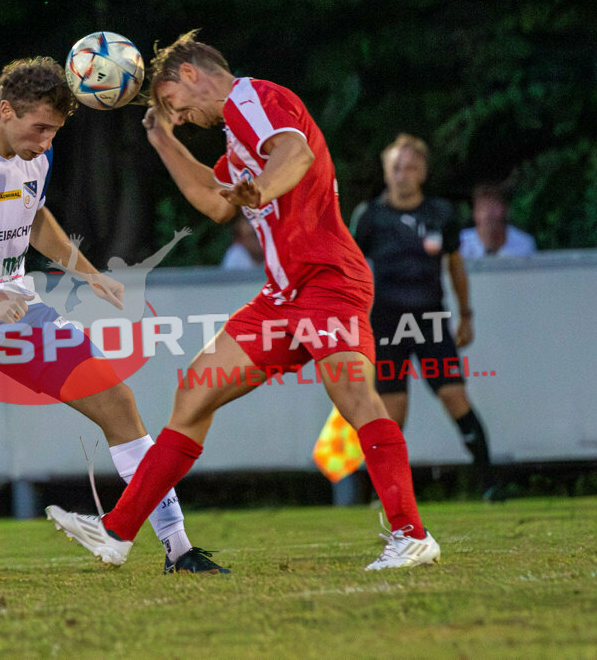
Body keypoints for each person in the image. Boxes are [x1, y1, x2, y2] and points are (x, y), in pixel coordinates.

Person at [47, 31, 440, 571]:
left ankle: (411, 535)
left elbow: (296, 152)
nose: (179, 116)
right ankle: (118, 532)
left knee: (354, 396)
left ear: (190, 74)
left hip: (329, 280)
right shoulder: (237, 134)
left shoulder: (252, 99)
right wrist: (162, 140)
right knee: (195, 392)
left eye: (173, 103)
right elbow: (215, 202)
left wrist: (264, 189)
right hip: (282, 296)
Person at [0, 56, 227, 585]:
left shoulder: (36, 154)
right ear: (6, 110)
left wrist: (89, 274)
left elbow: (35, 219)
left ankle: (180, 550)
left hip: (16, 307)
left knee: (118, 403)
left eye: (55, 131)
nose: (47, 142)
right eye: (40, 128)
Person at [351, 134, 497, 498]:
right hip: (386, 323)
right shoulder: (370, 217)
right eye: (397, 168)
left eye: (411, 167)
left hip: (431, 320)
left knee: (454, 396)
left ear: (423, 173)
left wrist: (465, 313)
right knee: (392, 410)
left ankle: (489, 484)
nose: (403, 175)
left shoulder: (440, 214)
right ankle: (386, 494)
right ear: (386, 172)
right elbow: (351, 269)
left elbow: (455, 265)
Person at [459, 182, 536, 259]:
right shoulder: (461, 243)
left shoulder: (525, 243)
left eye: (493, 207)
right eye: (483, 208)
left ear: (505, 210)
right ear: (475, 214)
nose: (488, 213)